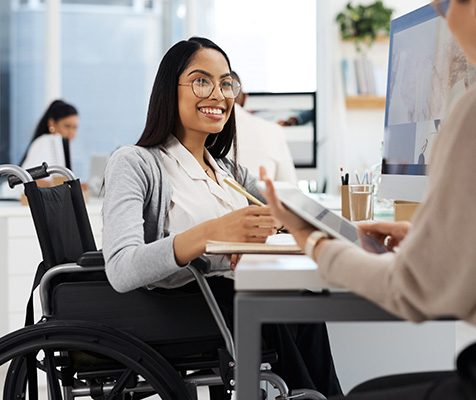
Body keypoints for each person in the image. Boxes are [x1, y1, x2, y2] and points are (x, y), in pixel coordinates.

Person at [260, 0, 476, 398]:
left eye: (443, 3)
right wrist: (439, 237)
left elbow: (415, 293)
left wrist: (316, 243)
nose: (440, 14)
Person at [101, 37, 342, 399]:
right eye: (202, 81)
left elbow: (288, 215)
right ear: (170, 90)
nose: (218, 94)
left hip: (229, 298)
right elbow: (121, 268)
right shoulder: (136, 162)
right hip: (179, 308)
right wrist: (213, 234)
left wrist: (345, 226)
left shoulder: (228, 170)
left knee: (305, 305)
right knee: (274, 309)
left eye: (226, 83)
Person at [229, 71, 297, 184]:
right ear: (245, 98)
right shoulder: (274, 131)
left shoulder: (202, 130)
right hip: (263, 200)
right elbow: (290, 187)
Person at [20, 99, 79, 186]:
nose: (71, 132)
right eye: (67, 126)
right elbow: (28, 180)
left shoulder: (61, 147)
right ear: (52, 123)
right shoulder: (45, 142)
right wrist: (58, 186)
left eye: (75, 127)